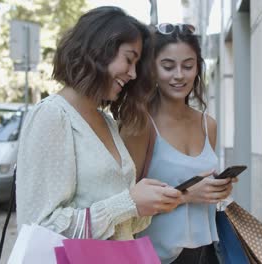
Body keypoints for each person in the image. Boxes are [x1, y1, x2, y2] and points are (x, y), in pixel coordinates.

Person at [15, 7, 183, 241]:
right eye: (128, 59)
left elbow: (119, 225)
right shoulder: (53, 115)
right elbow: (40, 227)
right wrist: (129, 202)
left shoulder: (107, 122)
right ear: (98, 50)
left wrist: (150, 204)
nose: (133, 74)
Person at [118, 23, 235, 264]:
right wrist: (187, 195)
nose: (179, 75)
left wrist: (217, 188)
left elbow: (203, 189)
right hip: (156, 256)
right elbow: (125, 203)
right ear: (152, 69)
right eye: (168, 66)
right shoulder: (139, 125)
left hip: (208, 252)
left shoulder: (207, 124)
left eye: (188, 66)